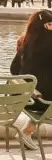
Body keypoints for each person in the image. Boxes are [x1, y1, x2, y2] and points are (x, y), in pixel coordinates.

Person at [10, 9, 52, 150]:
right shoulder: (49, 43)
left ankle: (27, 132)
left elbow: (13, 70)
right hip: (44, 102)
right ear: (47, 26)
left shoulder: (24, 41)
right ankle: (27, 132)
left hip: (24, 99)